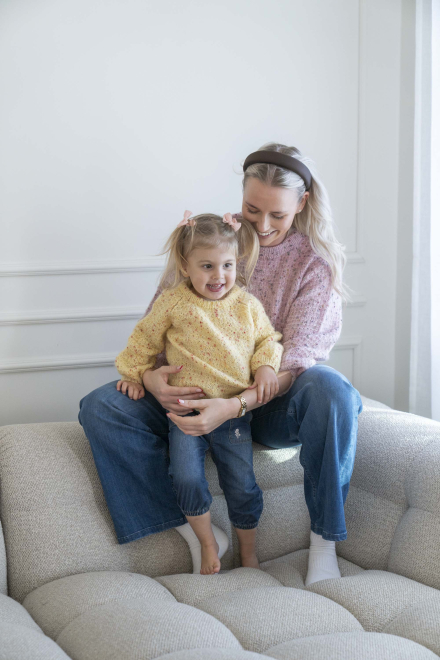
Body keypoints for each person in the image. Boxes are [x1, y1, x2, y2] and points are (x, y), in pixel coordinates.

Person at [78, 142, 363, 587]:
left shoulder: (314, 264)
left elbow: (295, 358)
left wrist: (234, 406)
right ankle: (194, 534)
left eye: (277, 215)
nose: (262, 226)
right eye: (252, 209)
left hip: (268, 401)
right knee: (100, 407)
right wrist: (151, 379)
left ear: (301, 203)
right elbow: (155, 327)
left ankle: (324, 544)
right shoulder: (207, 240)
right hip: (190, 392)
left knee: (333, 390)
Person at [114, 211, 284, 574]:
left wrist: (266, 366)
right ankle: (208, 543)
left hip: (231, 413)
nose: (218, 276)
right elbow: (143, 339)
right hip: (184, 413)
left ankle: (249, 553)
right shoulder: (173, 302)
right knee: (186, 478)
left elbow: (268, 340)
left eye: (227, 265)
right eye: (207, 266)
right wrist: (135, 374)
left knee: (242, 485)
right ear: (185, 265)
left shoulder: (247, 306)